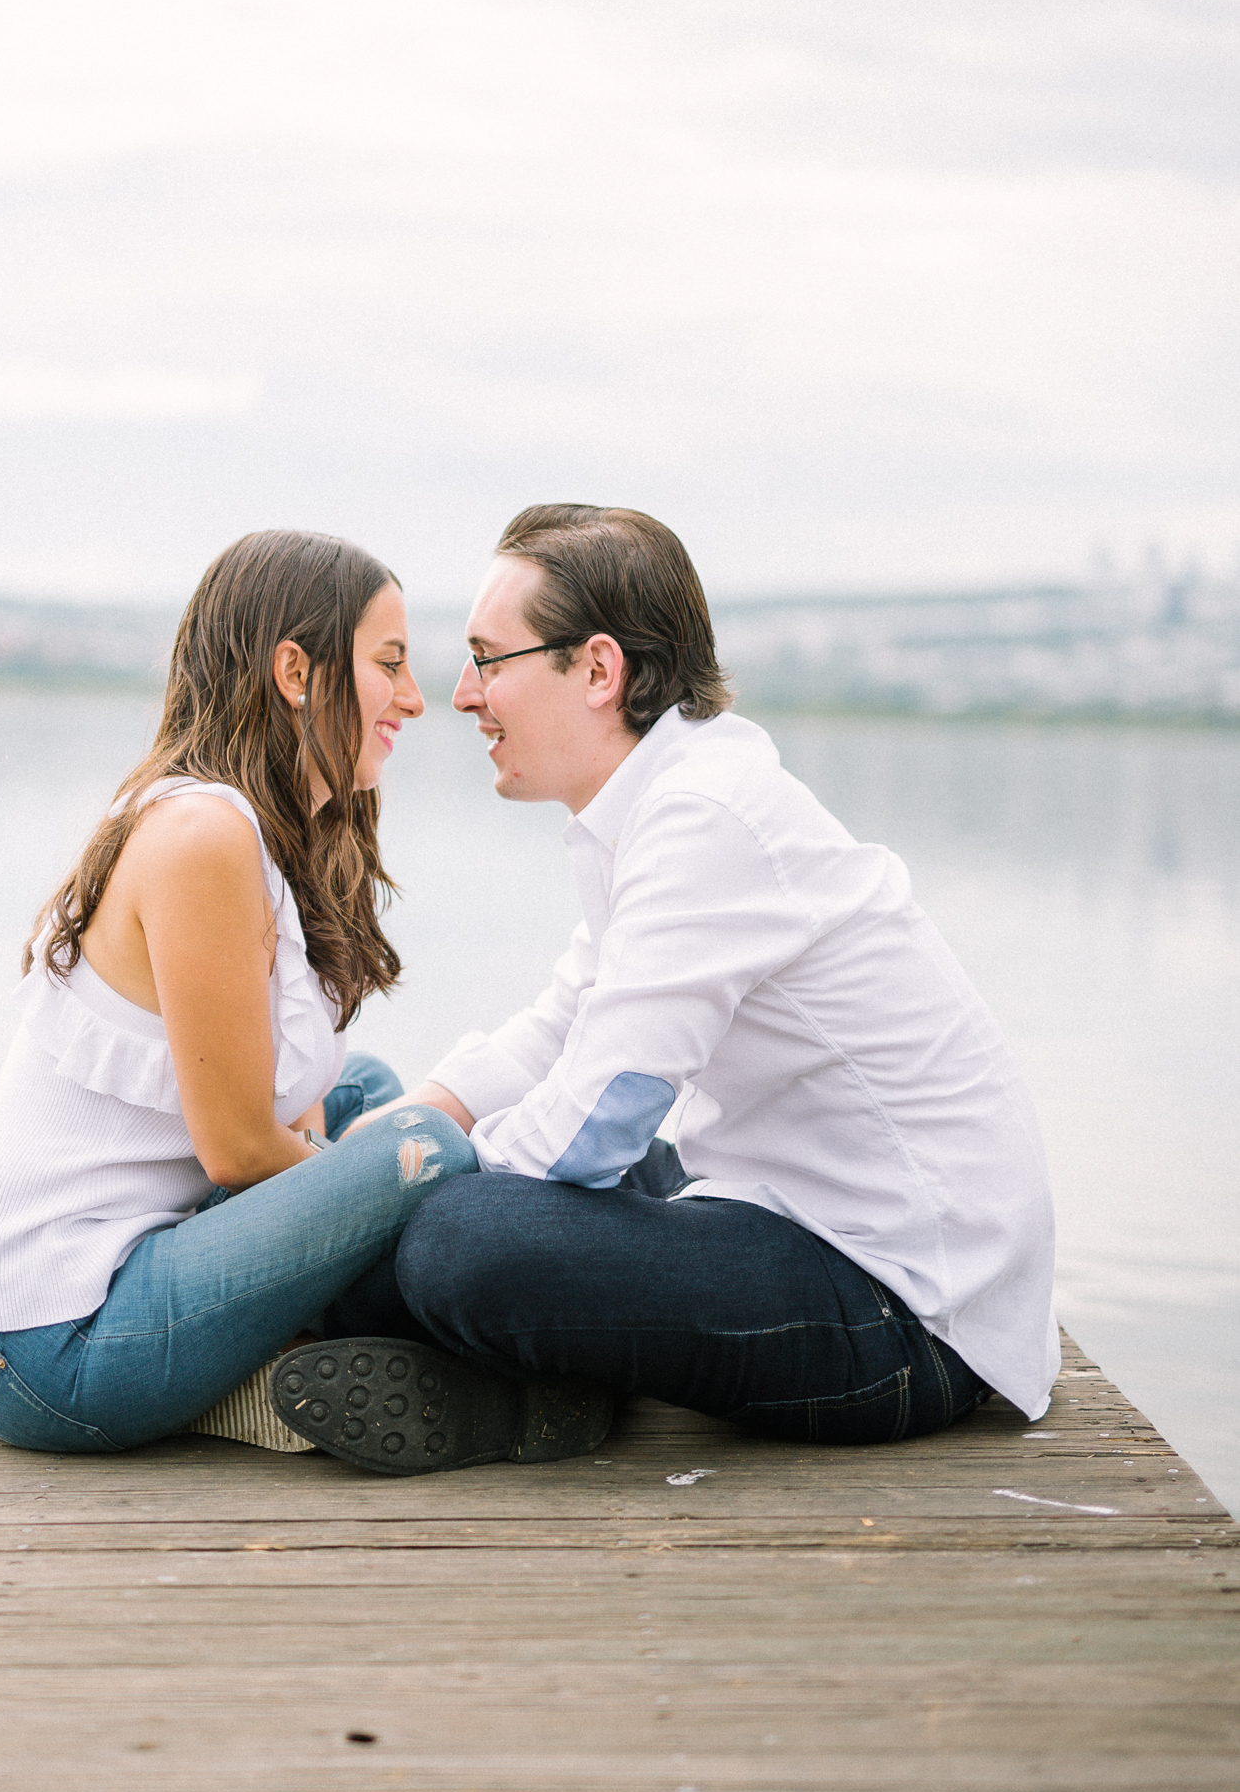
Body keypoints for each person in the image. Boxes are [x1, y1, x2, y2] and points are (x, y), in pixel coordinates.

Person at [272, 503, 1059, 1476]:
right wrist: (412, 1127)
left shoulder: (705, 819)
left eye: (488, 658)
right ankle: (536, 1382)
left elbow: (594, 1119)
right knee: (416, 1174)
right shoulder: (660, 806)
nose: (464, 694)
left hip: (910, 1313)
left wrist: (384, 1197)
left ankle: (503, 1369)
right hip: (781, 1212)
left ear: (598, 670)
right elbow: (557, 1033)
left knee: (455, 1241)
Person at [0, 528, 607, 1462]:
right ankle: (410, 1366)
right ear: (296, 669)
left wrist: (350, 1187)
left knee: (361, 1089)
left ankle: (269, 1370)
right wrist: (392, 1188)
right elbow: (240, 1149)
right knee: (422, 1147)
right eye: (389, 664)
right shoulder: (201, 837)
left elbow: (295, 1102)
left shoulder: (262, 831)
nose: (413, 698)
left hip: (121, 1273)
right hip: (45, 1342)